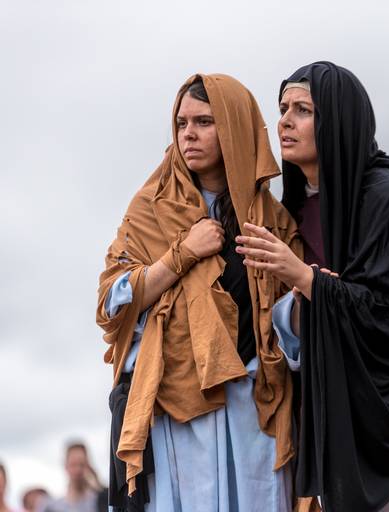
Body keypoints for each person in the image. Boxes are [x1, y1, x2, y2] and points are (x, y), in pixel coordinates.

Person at [236, 61, 389, 511]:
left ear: (338, 118)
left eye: (303, 110)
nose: (285, 122)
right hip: (337, 410)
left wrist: (306, 279)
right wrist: (302, 299)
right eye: (282, 109)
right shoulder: (294, 210)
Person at [96, 74, 300, 511]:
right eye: (181, 123)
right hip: (177, 409)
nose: (188, 134)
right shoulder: (151, 207)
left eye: (204, 122)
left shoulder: (272, 219)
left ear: (234, 128)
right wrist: (182, 254)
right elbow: (112, 302)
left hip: (252, 408)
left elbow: (287, 320)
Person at [43, 443, 100, 512]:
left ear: (88, 466)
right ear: (66, 466)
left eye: (81, 464)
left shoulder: (99, 501)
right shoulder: (52, 507)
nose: (78, 470)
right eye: (73, 464)